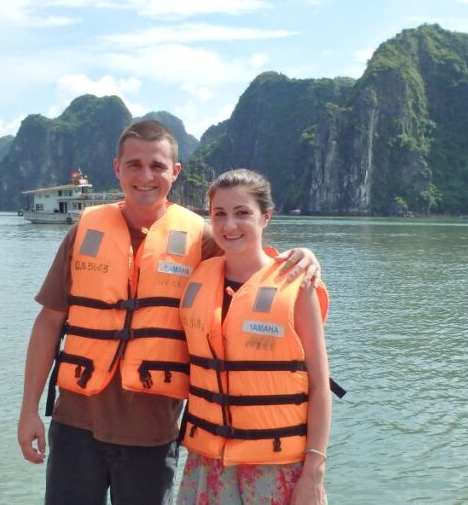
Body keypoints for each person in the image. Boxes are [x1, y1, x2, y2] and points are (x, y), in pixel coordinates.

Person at [17, 120, 322, 505]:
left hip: (153, 432)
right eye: (134, 164)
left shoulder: (200, 239)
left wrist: (300, 256)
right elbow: (48, 322)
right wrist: (28, 410)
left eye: (157, 166)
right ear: (117, 168)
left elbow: (250, 258)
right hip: (74, 423)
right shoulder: (83, 232)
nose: (146, 176)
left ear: (175, 171)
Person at [177, 169, 332, 505]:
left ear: (266, 217)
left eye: (243, 213)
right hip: (208, 464)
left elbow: (320, 387)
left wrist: (313, 473)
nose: (229, 225)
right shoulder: (198, 274)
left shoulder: (297, 285)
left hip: (277, 467)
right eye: (219, 214)